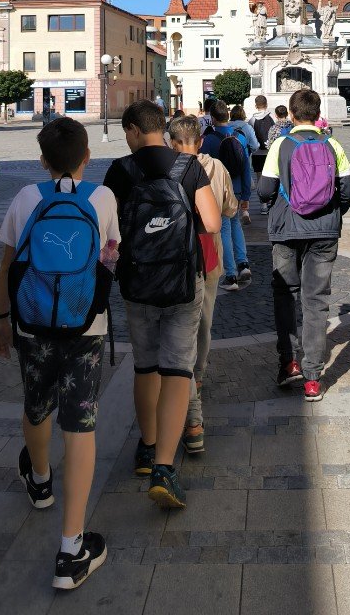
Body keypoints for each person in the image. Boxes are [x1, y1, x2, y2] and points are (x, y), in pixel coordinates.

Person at [0, 118, 120, 591]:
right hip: (86, 325)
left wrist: (0, 320)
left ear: (42, 160)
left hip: (32, 325)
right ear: (88, 156)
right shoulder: (103, 198)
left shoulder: (26, 198)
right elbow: (110, 258)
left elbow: (9, 266)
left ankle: (41, 479)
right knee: (81, 425)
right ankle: (72, 549)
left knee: (36, 403)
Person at [103, 100, 220, 509]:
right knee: (176, 370)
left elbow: (108, 230)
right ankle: (166, 469)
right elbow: (213, 222)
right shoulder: (188, 167)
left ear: (135, 130)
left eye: (126, 132)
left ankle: (147, 447)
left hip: (137, 284)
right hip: (182, 282)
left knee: (145, 365)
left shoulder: (121, 170)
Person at [258, 89, 350, 401]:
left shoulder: (280, 145)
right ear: (317, 114)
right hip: (324, 233)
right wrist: (330, 213)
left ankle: (289, 364)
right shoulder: (334, 144)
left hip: (286, 230)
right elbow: (348, 191)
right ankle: (313, 378)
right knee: (316, 301)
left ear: (293, 113)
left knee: (286, 296)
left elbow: (264, 189)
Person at [169, 115, 238, 453]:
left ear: (172, 142)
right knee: (205, 319)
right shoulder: (217, 168)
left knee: (178, 323)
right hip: (208, 250)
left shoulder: (165, 168)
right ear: (199, 141)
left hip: (172, 253)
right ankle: (198, 375)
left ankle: (184, 382)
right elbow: (228, 209)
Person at [201, 99, 252, 290]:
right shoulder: (239, 137)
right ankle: (243, 263)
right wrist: (246, 194)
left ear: (212, 118)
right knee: (235, 224)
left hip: (218, 190)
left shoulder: (209, 141)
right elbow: (246, 168)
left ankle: (230, 276)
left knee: (224, 229)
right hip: (237, 188)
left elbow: (203, 168)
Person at [247, 95, 274, 212]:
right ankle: (270, 201)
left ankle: (263, 205)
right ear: (266, 104)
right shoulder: (271, 117)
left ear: (255, 105)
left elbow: (250, 138)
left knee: (259, 179)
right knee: (270, 177)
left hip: (257, 153)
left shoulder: (252, 120)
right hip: (269, 153)